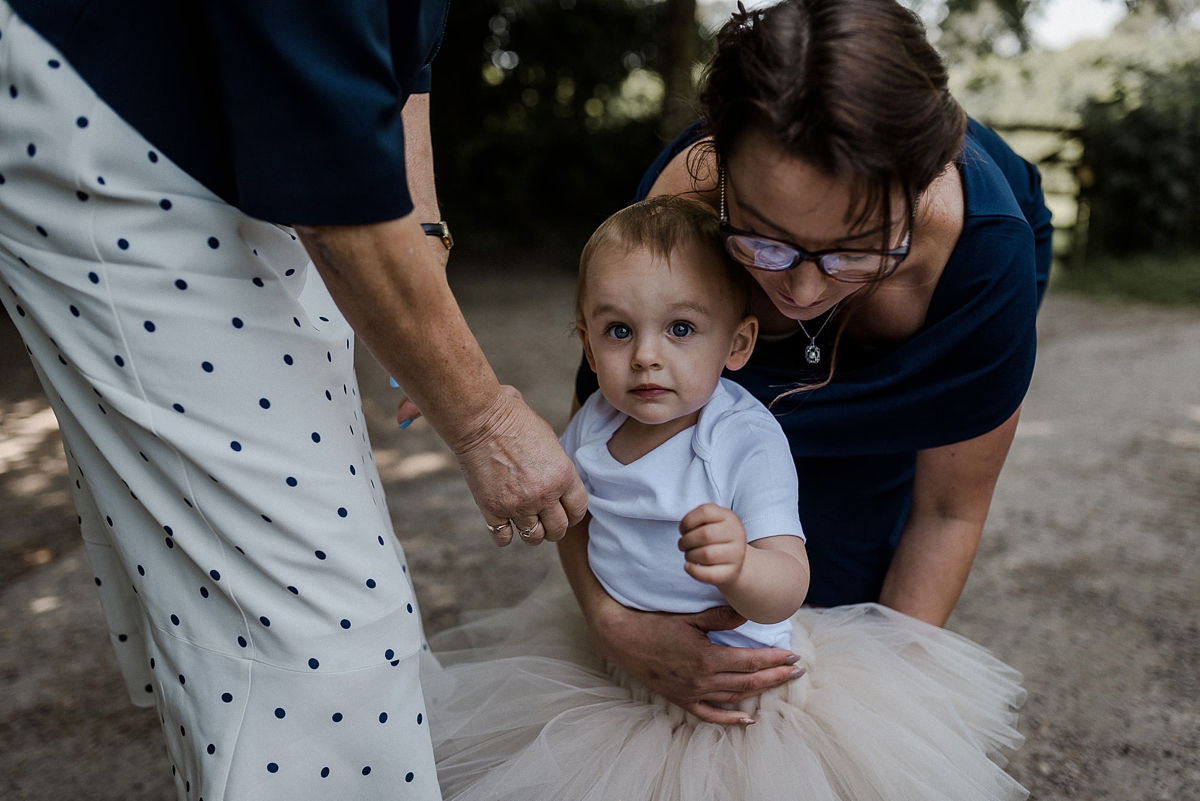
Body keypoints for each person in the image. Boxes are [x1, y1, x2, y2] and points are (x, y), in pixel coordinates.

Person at [0, 3, 585, 800]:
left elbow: (402, 52)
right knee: (327, 627)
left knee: (267, 567)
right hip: (114, 118)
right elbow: (335, 185)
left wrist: (423, 242)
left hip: (235, 118)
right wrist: (485, 418)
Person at [420, 196, 1028, 801]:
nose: (646, 355)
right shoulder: (597, 423)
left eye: (680, 329)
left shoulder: (744, 440)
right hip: (623, 677)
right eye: (618, 330)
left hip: (743, 704)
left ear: (737, 346)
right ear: (587, 344)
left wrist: (742, 565)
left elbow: (789, 582)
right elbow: (573, 514)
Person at [563, 0, 1055, 725]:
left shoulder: (983, 260)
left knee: (840, 566)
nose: (797, 291)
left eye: (854, 249)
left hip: (949, 284)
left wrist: (874, 721)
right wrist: (615, 623)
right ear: (718, 172)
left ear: (916, 196)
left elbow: (948, 511)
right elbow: (593, 454)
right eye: (764, 240)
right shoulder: (678, 212)